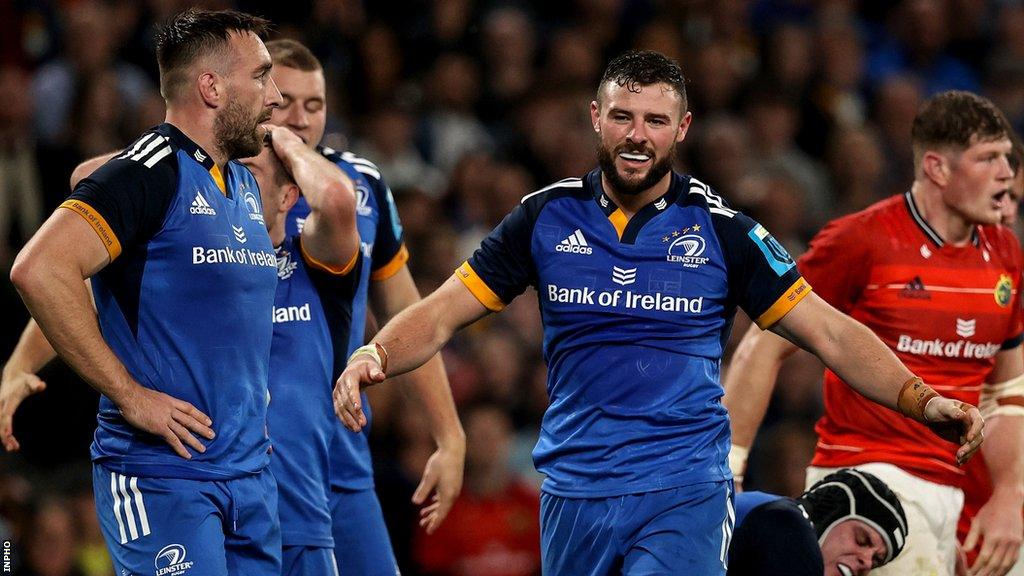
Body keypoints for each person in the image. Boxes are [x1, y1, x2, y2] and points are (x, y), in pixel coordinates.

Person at [335, 50, 983, 575]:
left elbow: (829, 334)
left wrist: (924, 401)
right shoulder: (544, 217)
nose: (637, 135)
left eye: (653, 120)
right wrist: (377, 354)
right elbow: (445, 311)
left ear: (682, 129)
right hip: (574, 489)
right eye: (622, 116)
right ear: (596, 118)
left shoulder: (724, 233)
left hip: (683, 488)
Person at [9, 9, 285, 575]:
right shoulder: (147, 171)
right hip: (164, 481)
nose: (275, 95)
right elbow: (40, 269)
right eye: (260, 76)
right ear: (210, 86)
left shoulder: (239, 181)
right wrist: (129, 394)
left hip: (249, 480)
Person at [723, 91, 1023, 576]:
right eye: (989, 159)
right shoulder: (861, 240)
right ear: (938, 168)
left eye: (1007, 158)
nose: (1007, 174)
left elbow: (1005, 394)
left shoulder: (1006, 252)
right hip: (869, 486)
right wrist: (729, 469)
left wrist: (1009, 496)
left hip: (959, 489)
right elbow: (764, 343)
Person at [264, 39, 465, 575]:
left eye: (315, 104)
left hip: (344, 459)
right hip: (259, 460)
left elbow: (410, 315)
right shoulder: (221, 182)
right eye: (286, 101)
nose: (302, 119)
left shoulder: (363, 185)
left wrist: (449, 436)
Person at [729, 468, 909, 576]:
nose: (867, 563)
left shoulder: (766, 506)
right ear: (831, 514)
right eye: (862, 540)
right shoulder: (786, 522)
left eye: (876, 561)